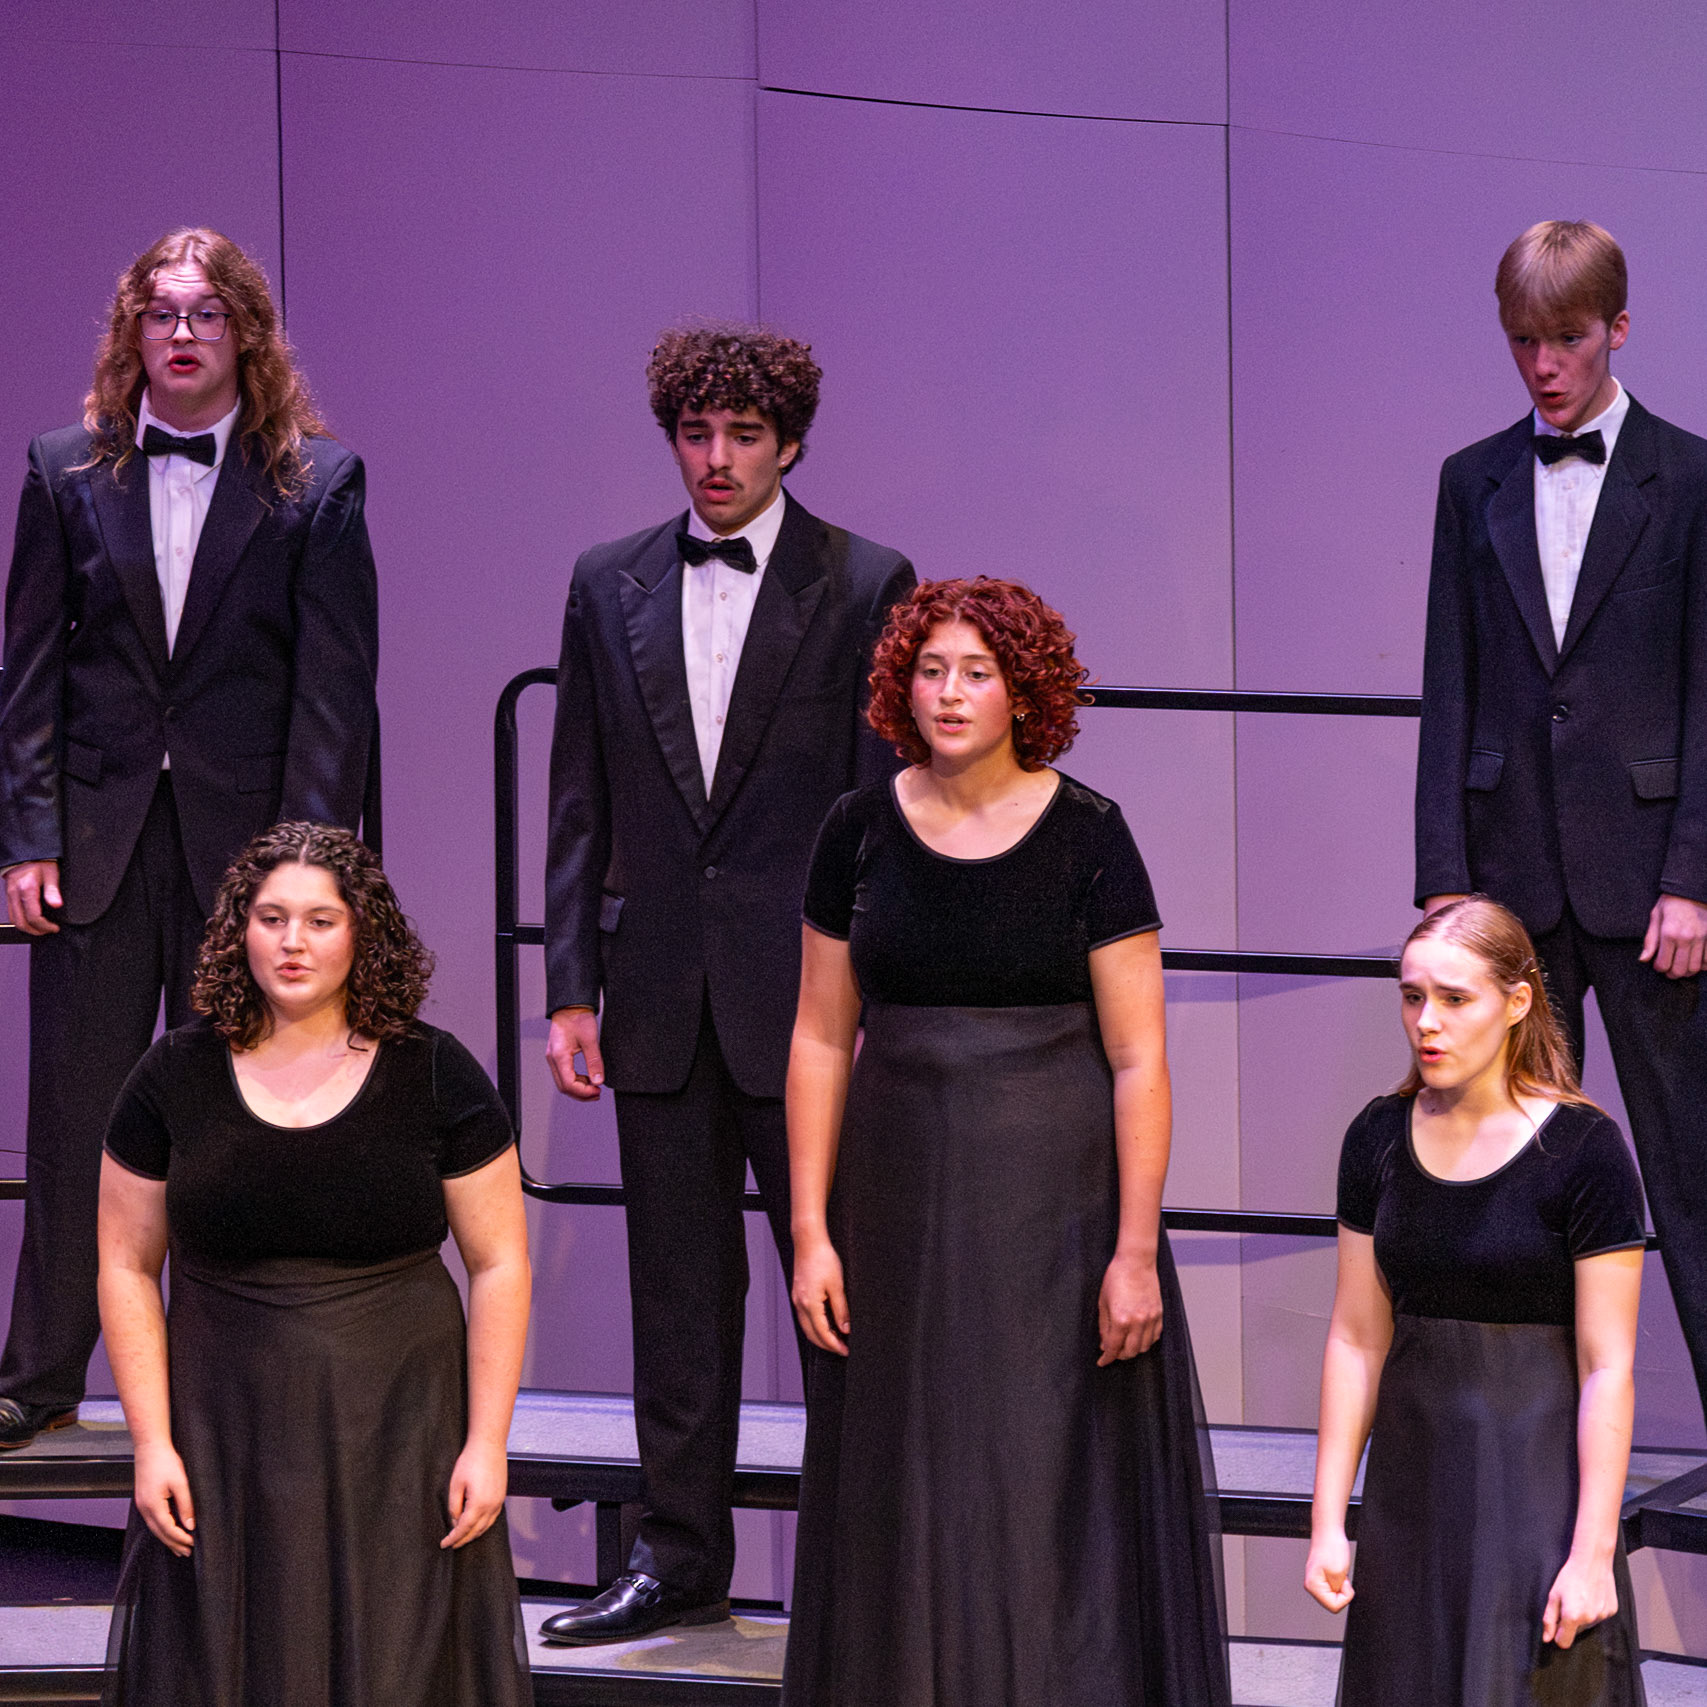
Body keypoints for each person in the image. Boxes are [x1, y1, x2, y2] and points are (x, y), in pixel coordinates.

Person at [781, 578, 1229, 1706]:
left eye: (977, 670)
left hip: (1057, 1222)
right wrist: (807, 1231)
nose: (950, 692)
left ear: (1024, 690)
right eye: (931, 669)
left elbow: (1140, 1060)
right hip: (896, 1214)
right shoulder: (856, 830)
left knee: (1043, 1482)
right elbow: (821, 1039)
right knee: (908, 1475)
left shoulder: (1090, 834)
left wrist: (1135, 1250)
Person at [539, 326, 914, 1645]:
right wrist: (568, 981)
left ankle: (866, 1569)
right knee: (676, 1292)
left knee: (837, 1292)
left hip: (808, 1006)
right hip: (651, 993)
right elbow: (577, 794)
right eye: (695, 434)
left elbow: (884, 818)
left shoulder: (865, 581)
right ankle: (677, 1554)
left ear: (789, 440)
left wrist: (875, 1002)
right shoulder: (606, 581)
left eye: (742, 434)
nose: (715, 458)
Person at [0, 228, 379, 1447]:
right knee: (75, 1112)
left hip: (248, 860)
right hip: (99, 845)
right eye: (160, 312)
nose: (180, 333)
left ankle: (233, 1379)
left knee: (234, 1113)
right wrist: (27, 838)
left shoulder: (315, 483)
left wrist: (309, 871)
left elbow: (334, 688)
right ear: (131, 332)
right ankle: (41, 1373)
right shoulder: (64, 471)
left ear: (246, 337)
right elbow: (28, 679)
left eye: (206, 314)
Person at [97, 823, 531, 1707]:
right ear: (237, 931)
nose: (293, 942)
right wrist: (151, 1442)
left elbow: (499, 1262)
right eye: (271, 917)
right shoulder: (171, 1074)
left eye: (320, 920)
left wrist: (486, 1441)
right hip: (226, 1426)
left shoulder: (434, 1071)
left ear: (361, 934)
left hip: (398, 1430)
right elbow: (126, 1264)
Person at [1415, 218, 1707, 1425]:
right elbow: (1451, 685)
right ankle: (1528, 1435)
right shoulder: (1471, 477)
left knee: (1687, 1177)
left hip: (1650, 893)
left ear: (1619, 331)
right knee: (1520, 1167)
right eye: (1525, 342)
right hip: (1511, 879)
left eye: (1569, 341)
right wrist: (1444, 882)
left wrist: (1693, 876)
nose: (1545, 366)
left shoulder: (1690, 478)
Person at [1306, 897, 1646, 1706]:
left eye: (1455, 999)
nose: (1426, 1020)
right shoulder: (1376, 1137)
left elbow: (1609, 1365)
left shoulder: (1582, 1149)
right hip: (1413, 1486)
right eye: (1411, 995)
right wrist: (1327, 1518)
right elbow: (1355, 1336)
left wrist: (1593, 1549)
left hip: (1532, 1490)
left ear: (1516, 1001)